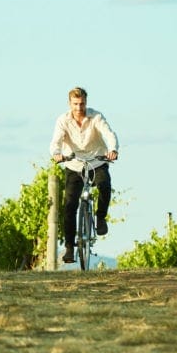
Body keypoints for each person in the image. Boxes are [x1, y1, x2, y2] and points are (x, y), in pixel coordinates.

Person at [50, 87, 119, 264]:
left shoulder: (96, 117)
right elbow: (56, 142)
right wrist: (57, 154)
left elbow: (109, 134)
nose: (79, 107)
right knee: (70, 205)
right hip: (74, 164)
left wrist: (112, 150)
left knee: (104, 185)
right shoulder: (62, 121)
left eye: (82, 104)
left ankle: (101, 217)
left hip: (97, 160)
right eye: (75, 104)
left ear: (86, 103)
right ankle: (69, 249)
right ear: (69, 104)